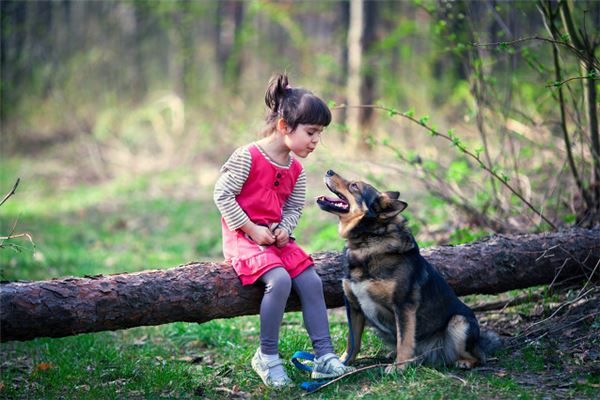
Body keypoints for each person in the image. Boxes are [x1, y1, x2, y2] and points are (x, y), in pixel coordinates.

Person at [213, 73, 354, 388]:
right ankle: (267, 355)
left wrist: (284, 230)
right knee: (278, 279)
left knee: (310, 280)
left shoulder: (296, 170)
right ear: (283, 126)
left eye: (320, 134)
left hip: (275, 241)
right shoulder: (247, 157)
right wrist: (251, 228)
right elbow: (222, 194)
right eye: (311, 132)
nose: (316, 141)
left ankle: (324, 357)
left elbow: (291, 209)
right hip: (243, 239)